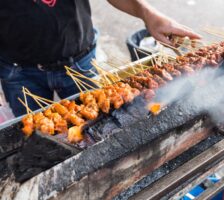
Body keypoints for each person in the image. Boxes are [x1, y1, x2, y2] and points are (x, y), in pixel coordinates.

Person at [0, 0, 201, 117]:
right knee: (35, 140)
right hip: (17, 71)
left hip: (79, 60)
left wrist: (148, 14)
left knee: (97, 123)